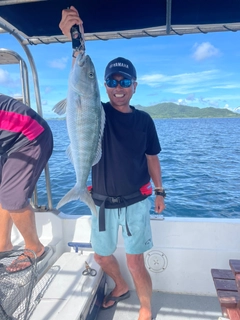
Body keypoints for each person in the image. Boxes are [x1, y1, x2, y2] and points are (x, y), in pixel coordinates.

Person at [59, 7, 165, 320]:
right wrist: (75, 43)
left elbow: (152, 157)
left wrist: (160, 191)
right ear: (104, 85)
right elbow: (84, 93)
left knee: (136, 262)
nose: (118, 86)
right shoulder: (97, 111)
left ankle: (146, 308)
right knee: (102, 256)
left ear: (134, 85)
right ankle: (119, 286)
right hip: (101, 205)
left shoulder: (144, 120)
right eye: (111, 81)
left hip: (135, 204)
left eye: (125, 80)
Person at [0, 94, 53, 272]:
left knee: (12, 196)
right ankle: (3, 244)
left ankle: (34, 248)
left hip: (30, 136)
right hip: (8, 141)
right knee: (3, 192)